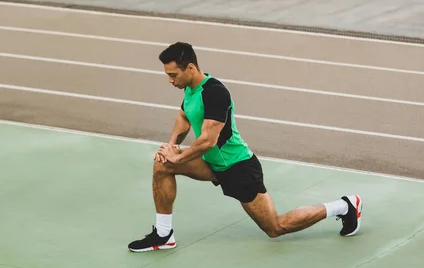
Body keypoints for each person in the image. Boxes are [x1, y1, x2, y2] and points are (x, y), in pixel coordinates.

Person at [128, 42, 363, 252]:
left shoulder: (215, 93)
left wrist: (178, 158)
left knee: (275, 227)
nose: (170, 80)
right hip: (212, 163)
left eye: (173, 75)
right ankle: (163, 234)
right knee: (163, 165)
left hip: (238, 167)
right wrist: (171, 147)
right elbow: (184, 117)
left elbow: (208, 141)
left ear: (190, 68)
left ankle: (344, 206)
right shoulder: (190, 89)